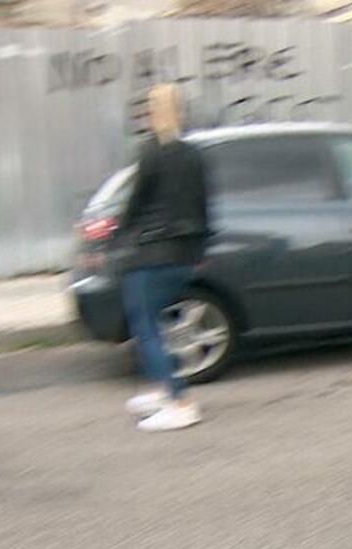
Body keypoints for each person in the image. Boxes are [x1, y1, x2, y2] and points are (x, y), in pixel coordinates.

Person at [118, 84, 210, 432]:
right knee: (155, 322)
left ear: (152, 113)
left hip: (151, 253)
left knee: (146, 327)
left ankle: (180, 401)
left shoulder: (151, 153)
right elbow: (203, 204)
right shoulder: (193, 154)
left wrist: (117, 239)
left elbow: (135, 205)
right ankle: (163, 388)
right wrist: (201, 249)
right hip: (184, 253)